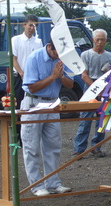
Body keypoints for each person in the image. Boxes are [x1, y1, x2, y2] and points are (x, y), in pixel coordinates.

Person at [20, 40, 74, 197]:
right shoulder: (34, 58)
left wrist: (61, 76)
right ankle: (36, 185)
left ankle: (53, 182)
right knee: (31, 146)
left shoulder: (62, 59)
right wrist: (52, 76)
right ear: (50, 47)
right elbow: (31, 87)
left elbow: (70, 84)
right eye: (56, 53)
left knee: (53, 145)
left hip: (53, 103)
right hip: (33, 102)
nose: (59, 56)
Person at [73, 29, 111, 157]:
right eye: (97, 39)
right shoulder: (85, 55)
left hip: (105, 87)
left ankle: (97, 146)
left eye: (102, 39)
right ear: (93, 40)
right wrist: (97, 88)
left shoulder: (110, 56)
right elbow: (84, 75)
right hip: (90, 85)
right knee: (85, 118)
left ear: (106, 41)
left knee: (103, 118)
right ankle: (79, 149)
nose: (100, 42)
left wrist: (107, 88)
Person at [11, 14, 43, 145]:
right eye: (30, 25)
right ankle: (18, 137)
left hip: (34, 79)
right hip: (19, 77)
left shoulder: (38, 42)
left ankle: (31, 137)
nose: (32, 28)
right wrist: (21, 72)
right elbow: (13, 58)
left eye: (34, 25)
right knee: (18, 106)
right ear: (24, 25)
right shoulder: (16, 40)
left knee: (33, 106)